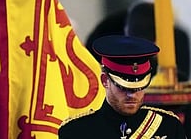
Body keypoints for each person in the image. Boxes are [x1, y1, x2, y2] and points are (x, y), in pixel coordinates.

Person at [58, 35, 187, 139]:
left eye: (139, 87)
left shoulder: (168, 127)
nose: (132, 95)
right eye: (124, 87)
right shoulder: (75, 132)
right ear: (105, 81)